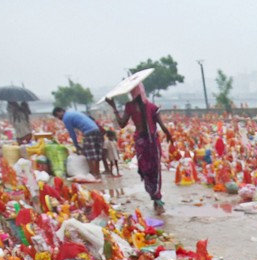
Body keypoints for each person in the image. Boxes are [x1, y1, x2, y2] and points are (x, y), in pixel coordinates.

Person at [107, 85, 173, 214]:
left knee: (150, 170)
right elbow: (162, 126)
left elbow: (121, 123)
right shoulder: (142, 106)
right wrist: (169, 136)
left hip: (146, 143)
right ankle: (156, 198)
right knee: (152, 170)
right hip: (148, 143)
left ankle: (157, 199)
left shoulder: (145, 107)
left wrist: (114, 107)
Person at [52, 106, 103, 177]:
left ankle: (93, 174)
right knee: (96, 154)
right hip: (96, 129)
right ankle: (97, 173)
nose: (59, 118)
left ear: (59, 112)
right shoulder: (72, 113)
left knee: (89, 155)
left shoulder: (66, 118)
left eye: (57, 116)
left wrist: (76, 145)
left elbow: (72, 133)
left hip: (89, 132)